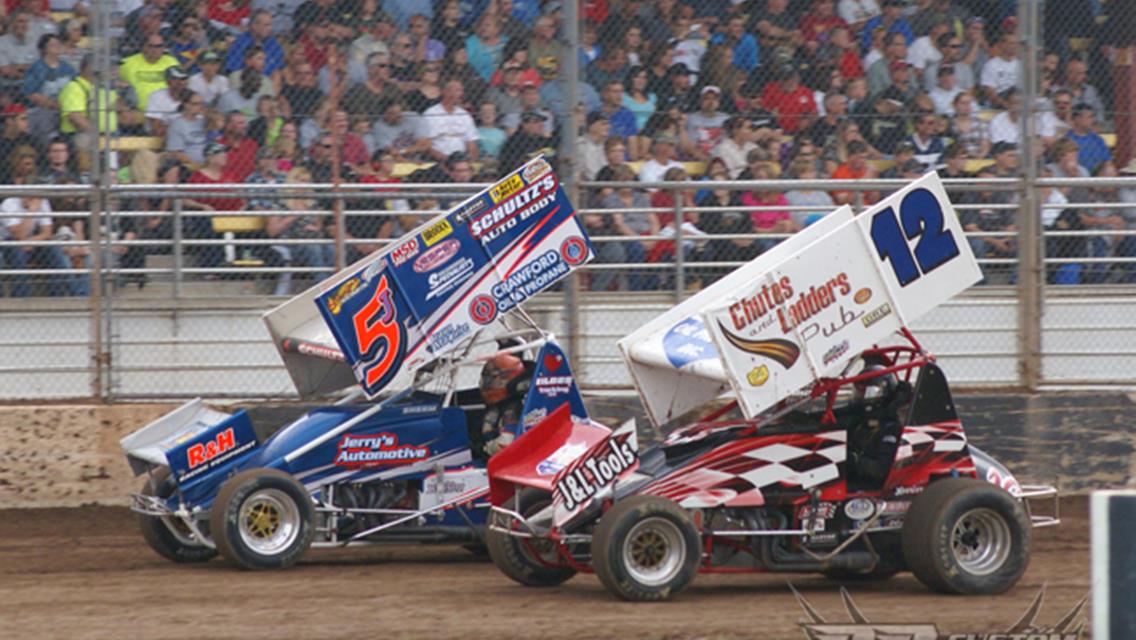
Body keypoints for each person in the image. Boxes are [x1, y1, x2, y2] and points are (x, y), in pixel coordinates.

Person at [478, 351, 533, 457]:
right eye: (486, 379)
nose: (488, 384)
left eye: (492, 380)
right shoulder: (500, 406)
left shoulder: (514, 407)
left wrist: (484, 449)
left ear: (508, 379)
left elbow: (505, 444)